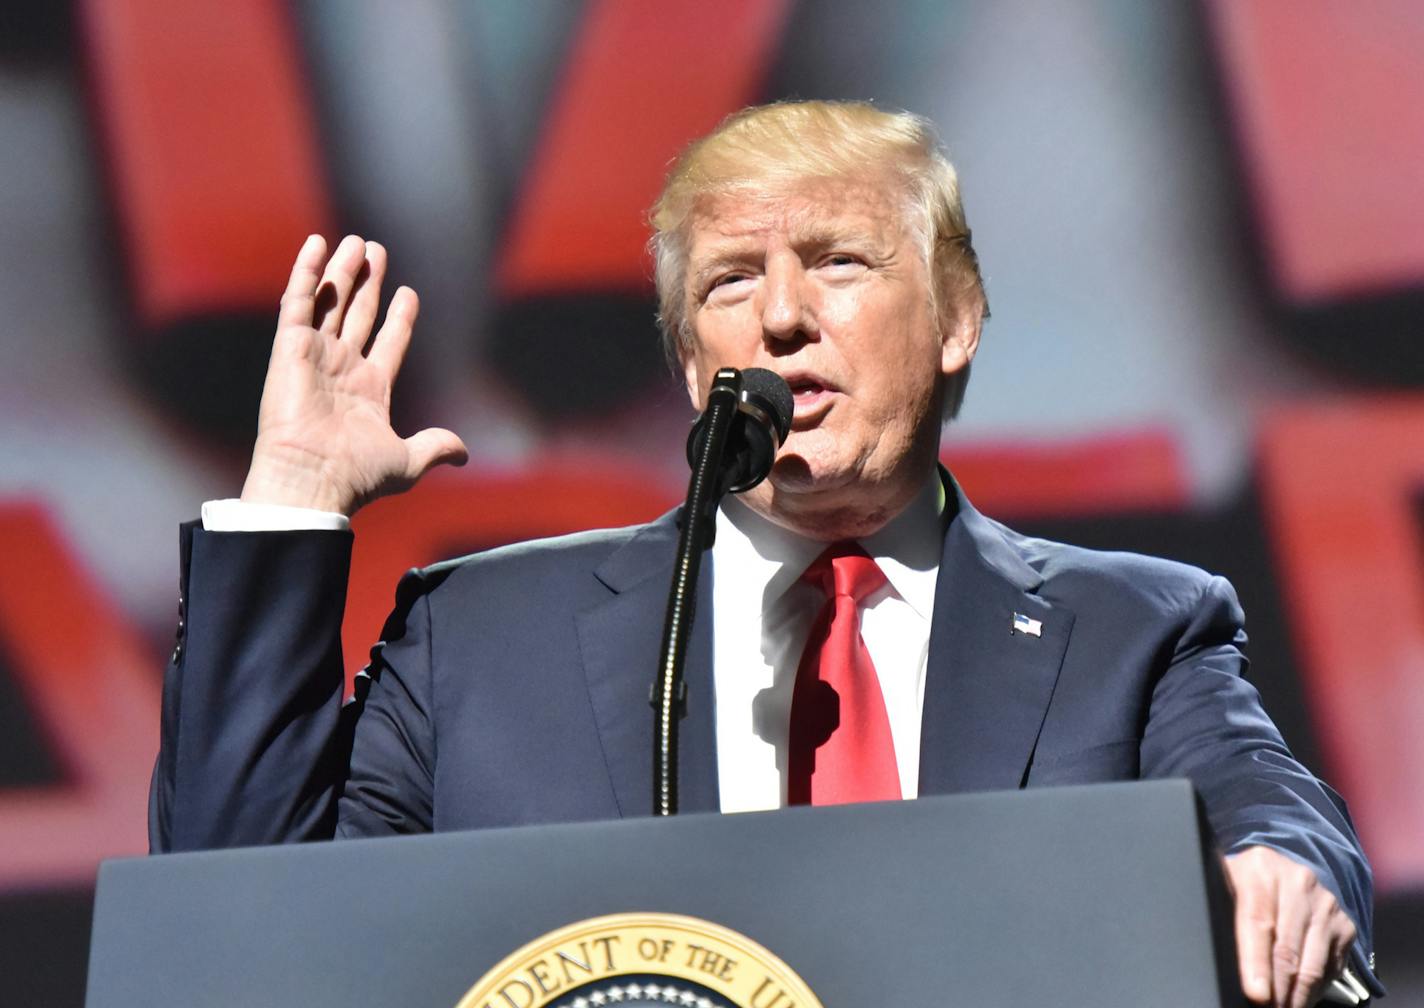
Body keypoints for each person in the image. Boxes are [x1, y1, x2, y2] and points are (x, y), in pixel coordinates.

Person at [150, 101, 1379, 1007]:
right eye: (731, 280)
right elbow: (233, 929)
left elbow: (1267, 806)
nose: (781, 315)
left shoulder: (1133, 631)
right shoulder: (477, 638)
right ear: (694, 366)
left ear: (957, 320)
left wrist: (1279, 862)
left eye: (837, 261)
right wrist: (294, 500)